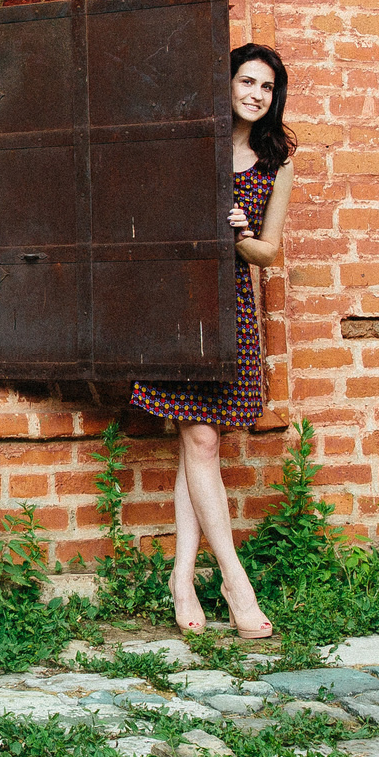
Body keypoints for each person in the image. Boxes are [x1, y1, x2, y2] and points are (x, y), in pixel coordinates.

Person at [126, 44, 296, 639]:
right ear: (224, 85)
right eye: (246, 81)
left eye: (267, 87)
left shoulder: (277, 163)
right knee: (199, 438)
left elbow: (266, 253)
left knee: (197, 444)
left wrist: (242, 233)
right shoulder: (191, 148)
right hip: (179, 307)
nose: (255, 93)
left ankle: (181, 578)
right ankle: (234, 581)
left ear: (274, 98)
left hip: (232, 311)